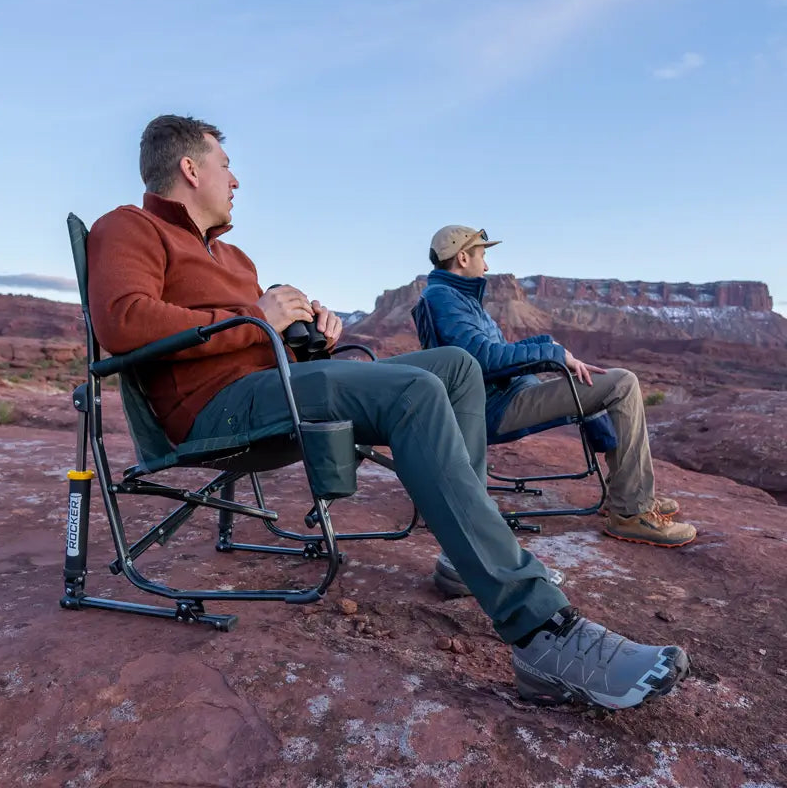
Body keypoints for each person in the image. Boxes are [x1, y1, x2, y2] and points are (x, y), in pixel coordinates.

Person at [86, 114, 690, 711]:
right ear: (190, 169)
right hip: (217, 410)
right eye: (225, 165)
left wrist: (309, 332)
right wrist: (260, 319)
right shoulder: (129, 227)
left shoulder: (235, 258)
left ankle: (468, 555)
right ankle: (541, 633)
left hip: (280, 383)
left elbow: (258, 336)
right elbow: (123, 322)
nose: (236, 180)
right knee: (413, 393)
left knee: (453, 365)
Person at [419, 225, 698, 551]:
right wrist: (553, 354)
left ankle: (627, 489)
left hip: (503, 394)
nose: (487, 266)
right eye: (482, 255)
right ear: (463, 256)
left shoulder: (456, 297)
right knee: (622, 382)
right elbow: (483, 359)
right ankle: (630, 511)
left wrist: (548, 344)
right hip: (495, 408)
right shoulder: (445, 298)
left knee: (589, 378)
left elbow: (492, 351)